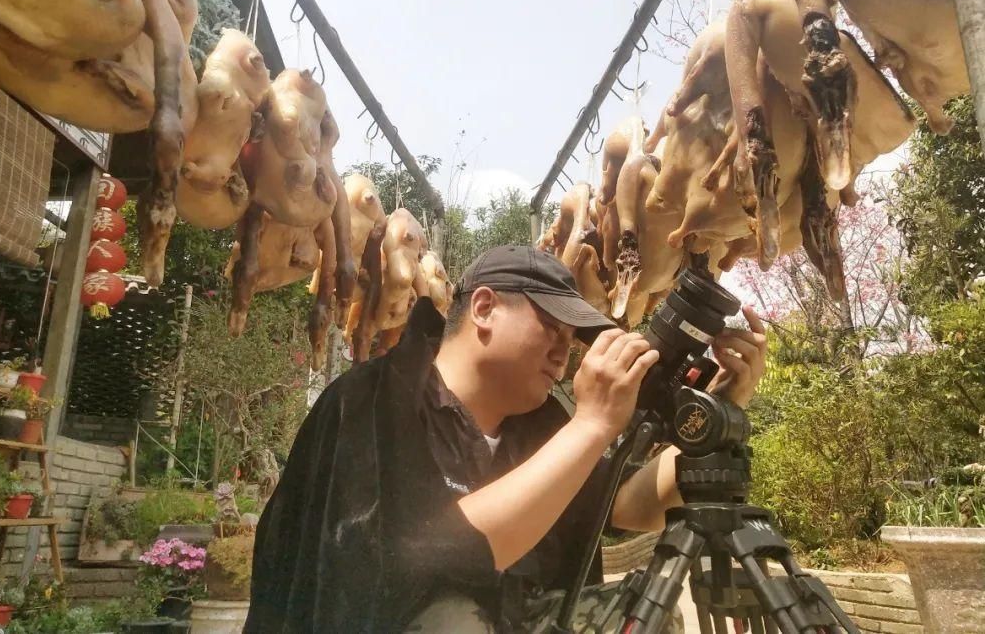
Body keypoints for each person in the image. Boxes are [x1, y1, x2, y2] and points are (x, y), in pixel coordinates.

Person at [243, 245, 767, 633]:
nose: (564, 354)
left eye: (571, 338)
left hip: (514, 618)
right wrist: (591, 426)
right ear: (486, 308)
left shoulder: (541, 428)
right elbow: (424, 555)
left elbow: (628, 505)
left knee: (646, 612)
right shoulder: (371, 402)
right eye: (552, 328)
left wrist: (715, 415)